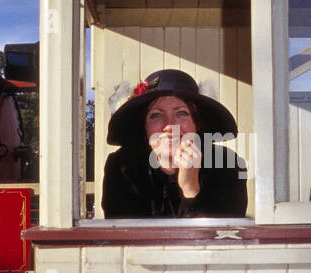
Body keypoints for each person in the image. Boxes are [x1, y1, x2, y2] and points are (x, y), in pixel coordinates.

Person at [101, 69, 248, 218]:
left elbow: (225, 235)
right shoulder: (122, 167)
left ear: (196, 124)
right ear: (144, 128)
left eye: (181, 113)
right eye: (156, 115)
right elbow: (122, 232)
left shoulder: (226, 164)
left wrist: (190, 188)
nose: (170, 125)